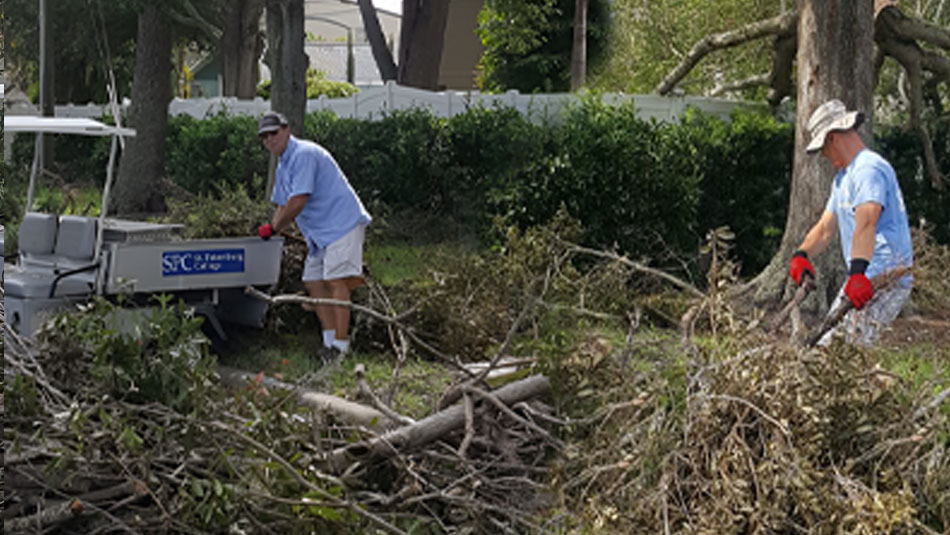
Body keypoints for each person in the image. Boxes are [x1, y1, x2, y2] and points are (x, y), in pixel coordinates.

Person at [788, 98, 914, 346]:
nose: (824, 156)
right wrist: (801, 254)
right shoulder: (843, 178)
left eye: (823, 149)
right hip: (865, 275)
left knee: (840, 350)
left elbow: (866, 222)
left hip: (885, 276)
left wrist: (857, 275)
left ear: (833, 137)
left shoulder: (869, 169)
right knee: (833, 349)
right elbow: (825, 228)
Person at [257, 111, 371, 360]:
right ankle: (328, 341)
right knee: (314, 282)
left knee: (336, 282)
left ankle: (341, 347)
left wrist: (275, 229)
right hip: (320, 234)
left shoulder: (304, 154)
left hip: (342, 223)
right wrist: (270, 230)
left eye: (273, 133)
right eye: (264, 137)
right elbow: (282, 204)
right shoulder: (283, 164)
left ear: (286, 130)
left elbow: (297, 202)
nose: (269, 140)